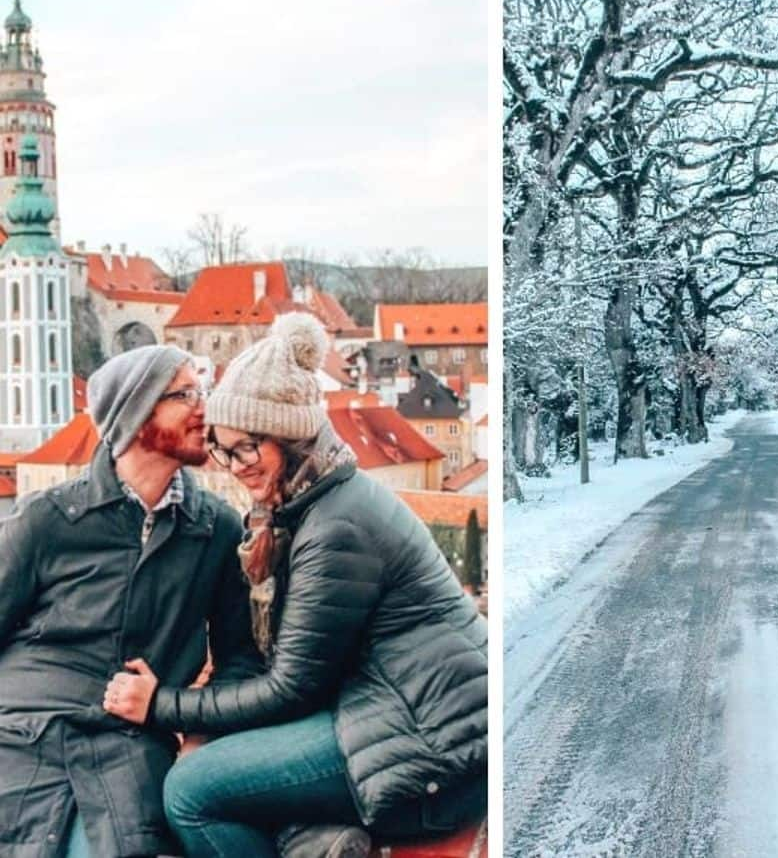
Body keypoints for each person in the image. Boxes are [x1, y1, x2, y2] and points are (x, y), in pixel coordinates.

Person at [102, 312, 488, 858]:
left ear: (291, 438)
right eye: (222, 447)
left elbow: (290, 687)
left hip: (431, 742)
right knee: (230, 762)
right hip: (392, 706)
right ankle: (317, 841)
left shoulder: (334, 526)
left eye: (246, 448)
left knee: (191, 793)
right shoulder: (308, 505)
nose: (234, 466)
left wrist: (163, 706)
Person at [0, 345, 256, 857]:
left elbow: (240, 657)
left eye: (201, 390)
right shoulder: (47, 520)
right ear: (138, 418)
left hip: (129, 744)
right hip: (22, 734)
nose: (204, 407)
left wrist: (197, 735)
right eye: (185, 394)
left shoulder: (215, 530)